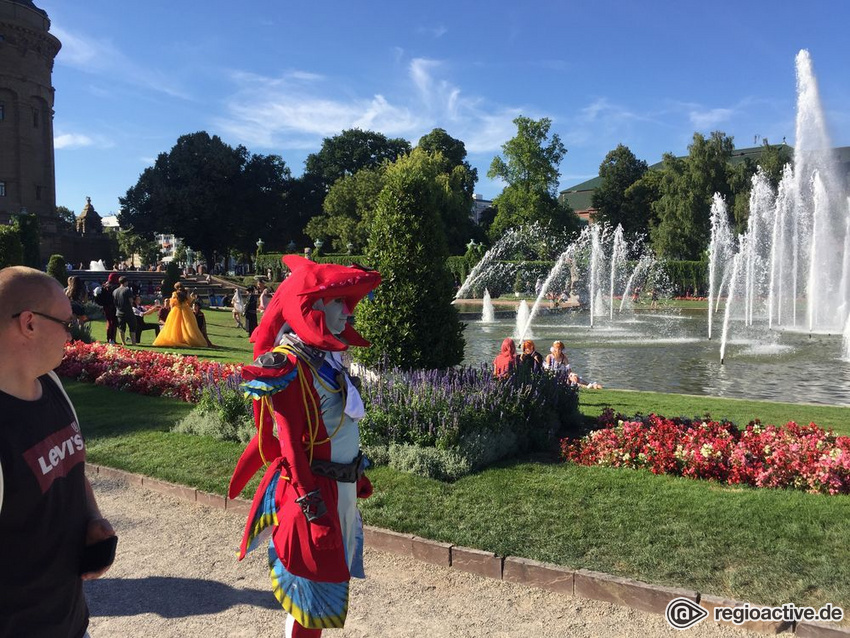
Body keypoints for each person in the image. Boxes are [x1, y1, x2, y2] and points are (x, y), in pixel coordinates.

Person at [229, 255, 381, 638]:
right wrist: (314, 509)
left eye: (348, 303)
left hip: (337, 489)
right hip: (310, 494)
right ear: (312, 306)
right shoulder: (287, 365)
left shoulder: (327, 359)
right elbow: (292, 446)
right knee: (312, 601)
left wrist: (353, 473)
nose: (347, 312)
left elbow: (338, 424)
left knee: (319, 596)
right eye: (337, 302)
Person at [0, 266, 115, 637]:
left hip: (70, 618)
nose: (73, 332)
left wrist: (92, 518)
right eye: (66, 321)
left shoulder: (49, 384)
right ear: (29, 323)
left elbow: (71, 464)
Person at [152, 282, 207, 348]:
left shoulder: (174, 293)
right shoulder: (186, 292)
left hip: (176, 310)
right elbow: (190, 302)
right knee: (188, 326)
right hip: (186, 310)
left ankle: (176, 339)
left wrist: (171, 311)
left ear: (176, 288)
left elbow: (172, 304)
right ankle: (188, 340)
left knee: (175, 326)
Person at [94, 272, 119, 344]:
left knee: (109, 322)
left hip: (106, 307)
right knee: (113, 323)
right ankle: (112, 339)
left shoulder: (104, 286)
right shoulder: (114, 287)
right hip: (113, 306)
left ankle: (109, 338)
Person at [113, 276, 137, 346]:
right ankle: (133, 343)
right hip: (128, 311)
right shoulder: (127, 290)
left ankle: (123, 343)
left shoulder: (115, 291)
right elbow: (131, 301)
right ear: (126, 282)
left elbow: (115, 302)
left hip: (119, 312)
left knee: (121, 328)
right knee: (132, 327)